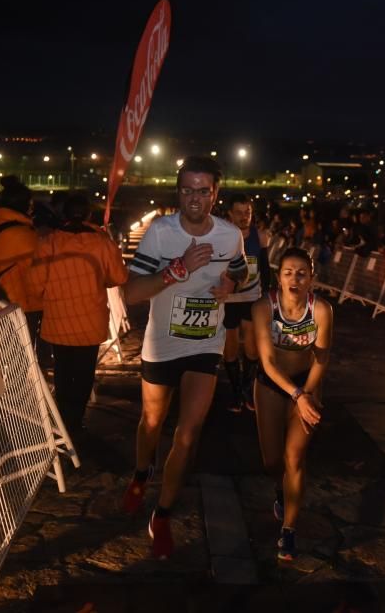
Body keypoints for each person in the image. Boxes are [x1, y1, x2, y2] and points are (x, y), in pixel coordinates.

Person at [123, 157, 248, 559]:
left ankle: (161, 514)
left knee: (188, 434)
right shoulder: (161, 232)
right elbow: (131, 292)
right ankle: (142, 473)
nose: (194, 198)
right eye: (187, 189)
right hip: (162, 342)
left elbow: (241, 272)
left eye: (203, 190)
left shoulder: (230, 236)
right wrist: (174, 271)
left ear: (216, 194)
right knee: (153, 422)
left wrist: (230, 281)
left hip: (205, 342)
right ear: (178, 191)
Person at [251, 247, 333, 561]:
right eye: (288, 272)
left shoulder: (321, 310)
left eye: (301, 273)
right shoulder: (264, 307)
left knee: (294, 457)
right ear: (279, 277)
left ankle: (288, 529)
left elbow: (322, 358)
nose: (294, 279)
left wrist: (305, 395)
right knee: (273, 462)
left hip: (307, 384)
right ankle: (279, 490)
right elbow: (268, 362)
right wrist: (294, 395)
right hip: (271, 384)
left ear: (311, 277)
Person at [27, 191, 128, 438]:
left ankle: (63, 422)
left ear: (63, 214)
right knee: (84, 374)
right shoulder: (103, 242)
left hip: (59, 321)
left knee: (62, 372)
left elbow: (35, 284)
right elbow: (119, 277)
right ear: (89, 214)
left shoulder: (49, 242)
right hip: (90, 321)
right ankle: (76, 421)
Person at [0, 175, 46, 363]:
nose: (32, 207)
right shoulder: (22, 234)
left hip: (4, 298)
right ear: (24, 205)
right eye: (30, 203)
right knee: (21, 358)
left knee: (12, 354)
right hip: (22, 303)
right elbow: (39, 271)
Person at [222, 194, 271, 413]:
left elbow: (265, 267)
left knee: (252, 345)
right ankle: (235, 393)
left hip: (252, 297)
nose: (244, 217)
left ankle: (246, 389)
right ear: (230, 214)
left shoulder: (260, 237)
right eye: (240, 213)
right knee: (230, 346)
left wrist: (267, 296)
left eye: (248, 212)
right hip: (229, 298)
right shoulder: (222, 236)